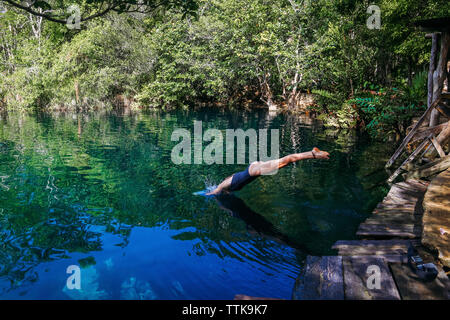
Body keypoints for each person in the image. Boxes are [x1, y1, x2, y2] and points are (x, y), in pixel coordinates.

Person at [206, 147, 330, 195]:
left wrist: (207, 195)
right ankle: (312, 153)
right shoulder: (228, 182)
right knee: (283, 163)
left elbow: (213, 193)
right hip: (253, 167)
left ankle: (313, 154)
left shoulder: (221, 187)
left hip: (253, 171)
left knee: (286, 161)